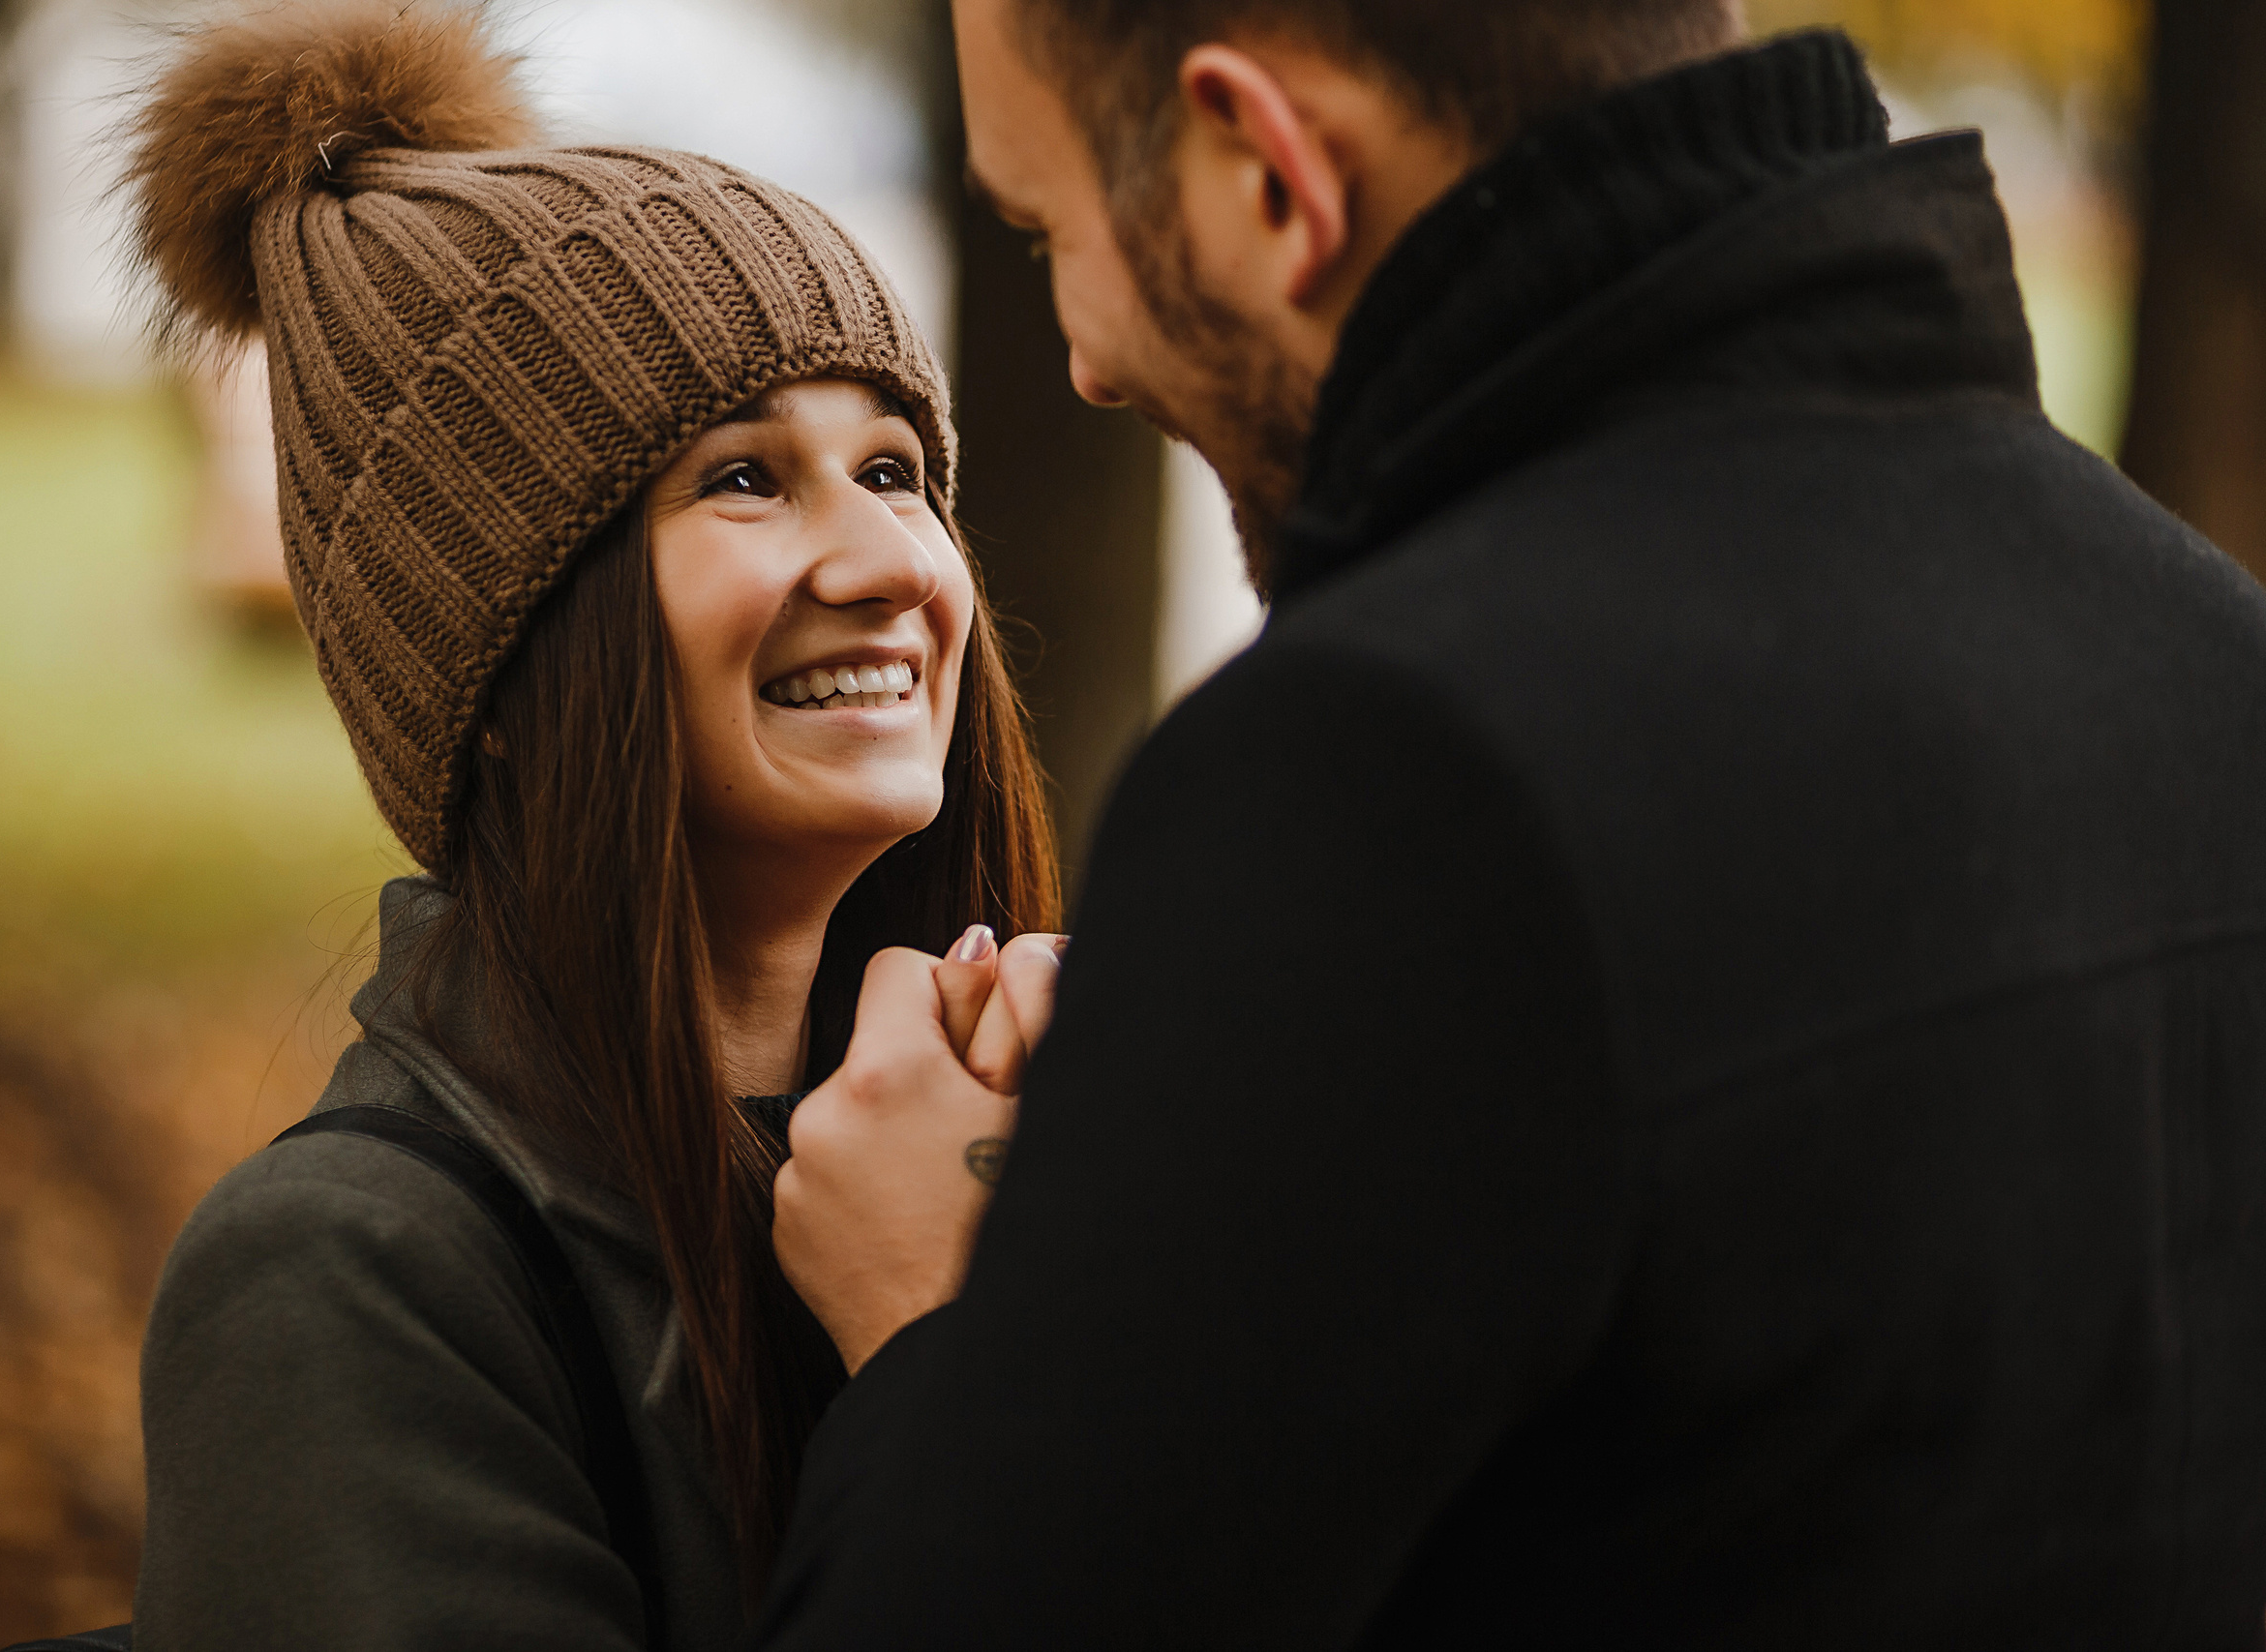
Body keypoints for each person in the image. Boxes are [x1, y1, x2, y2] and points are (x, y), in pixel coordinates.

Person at [760, 1, 2266, 1646]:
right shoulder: (2202, 644)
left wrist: (927, 1334)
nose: (1087, 359)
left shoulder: (1391, 774)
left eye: (1052, 233)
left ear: (1268, 170)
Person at [115, 6, 1061, 1649]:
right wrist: (939, 1359)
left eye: (898, 469)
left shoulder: (1013, 1127)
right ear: (508, 643)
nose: (894, 565)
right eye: (744, 482)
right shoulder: (351, 1282)